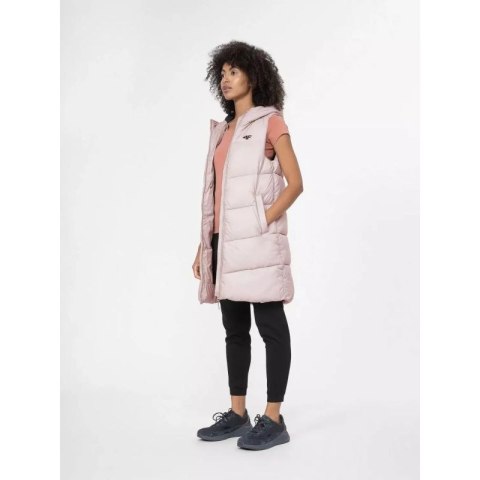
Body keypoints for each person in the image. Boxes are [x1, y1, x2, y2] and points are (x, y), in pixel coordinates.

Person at [192, 40, 304, 450]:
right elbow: (215, 196)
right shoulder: (221, 132)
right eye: (222, 73)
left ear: (253, 77)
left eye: (234, 72)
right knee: (234, 329)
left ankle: (273, 418)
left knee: (270, 326)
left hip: (257, 240)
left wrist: (262, 219)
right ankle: (238, 414)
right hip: (223, 242)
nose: (226, 79)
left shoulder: (271, 122)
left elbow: (295, 183)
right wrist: (203, 246)